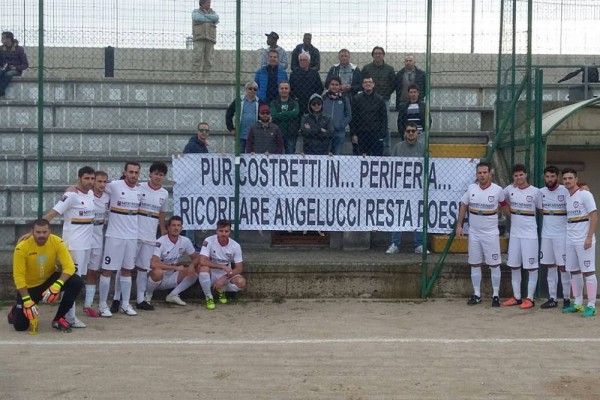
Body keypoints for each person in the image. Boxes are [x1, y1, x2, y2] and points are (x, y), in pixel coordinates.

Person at [41, 166, 96, 328]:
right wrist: (34, 231)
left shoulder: (91, 194)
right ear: (79, 179)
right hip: (73, 246)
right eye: (87, 178)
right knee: (73, 282)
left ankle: (68, 315)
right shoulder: (70, 196)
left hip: (86, 246)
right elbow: (52, 213)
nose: (90, 182)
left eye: (92, 178)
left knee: (78, 281)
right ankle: (69, 317)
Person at [9, 219, 83, 333]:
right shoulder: (22, 247)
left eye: (44, 232)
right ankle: (15, 310)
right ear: (32, 232)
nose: (41, 235)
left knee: (76, 281)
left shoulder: (57, 242)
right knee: (20, 326)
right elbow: (18, 276)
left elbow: (70, 267)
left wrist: (57, 285)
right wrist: (26, 300)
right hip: (30, 287)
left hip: (49, 281)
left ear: (50, 231)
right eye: (38, 232)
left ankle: (58, 319)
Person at [456, 161, 508, 307]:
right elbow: (463, 205)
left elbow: (505, 207)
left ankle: (496, 295)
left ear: (490, 174)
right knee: (475, 263)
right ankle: (477, 294)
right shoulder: (471, 188)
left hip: (491, 234)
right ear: (476, 174)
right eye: (480, 173)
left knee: (495, 265)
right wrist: (459, 225)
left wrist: (514, 221)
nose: (482, 175)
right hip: (474, 233)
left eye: (485, 172)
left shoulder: (498, 190)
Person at [98, 162, 141, 317]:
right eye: (131, 172)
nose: (133, 175)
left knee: (127, 270)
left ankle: (125, 304)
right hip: (114, 236)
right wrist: (72, 188)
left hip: (132, 236)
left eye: (136, 172)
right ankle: (102, 305)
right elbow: (95, 185)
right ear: (125, 172)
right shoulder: (114, 186)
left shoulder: (140, 190)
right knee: (108, 270)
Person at [127, 162, 169, 311]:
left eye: (161, 174)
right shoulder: (139, 187)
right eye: (156, 173)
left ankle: (140, 300)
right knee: (125, 268)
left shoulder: (164, 193)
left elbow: (162, 213)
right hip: (134, 234)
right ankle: (118, 300)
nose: (158, 177)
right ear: (150, 174)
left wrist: (163, 229)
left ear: (164, 177)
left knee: (143, 269)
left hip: (150, 236)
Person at [501, 164, 542, 309]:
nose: (519, 178)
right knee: (514, 266)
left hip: (530, 235)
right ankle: (517, 297)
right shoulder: (510, 189)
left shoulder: (536, 192)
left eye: (521, 175)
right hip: (515, 235)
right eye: (516, 175)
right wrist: (508, 213)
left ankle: (530, 298)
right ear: (513, 177)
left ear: (525, 175)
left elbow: (543, 208)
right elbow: (500, 198)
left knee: (532, 267)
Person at [386, 123, 429, 254]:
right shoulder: (398, 148)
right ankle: (395, 243)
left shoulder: (423, 148)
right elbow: (390, 166)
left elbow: (428, 167)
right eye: (408, 131)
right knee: (398, 214)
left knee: (419, 215)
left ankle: (419, 244)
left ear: (417, 133)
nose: (411, 133)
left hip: (417, 188)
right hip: (400, 188)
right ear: (404, 133)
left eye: (413, 131)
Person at [562, 168, 598, 317]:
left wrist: (589, 237)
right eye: (565, 179)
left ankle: (591, 304)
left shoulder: (585, 194)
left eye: (570, 178)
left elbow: (594, 217)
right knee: (574, 271)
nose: (567, 181)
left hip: (584, 240)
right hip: (570, 239)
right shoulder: (567, 196)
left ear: (576, 179)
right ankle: (577, 303)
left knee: (588, 272)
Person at [145, 216, 200, 307]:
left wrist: (191, 265)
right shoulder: (160, 242)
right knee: (158, 272)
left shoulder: (185, 241)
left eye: (178, 225)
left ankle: (173, 295)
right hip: (156, 278)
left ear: (182, 228)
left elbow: (196, 257)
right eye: (173, 225)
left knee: (197, 268)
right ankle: (148, 295)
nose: (176, 228)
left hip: (171, 276)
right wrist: (174, 267)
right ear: (168, 228)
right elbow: (153, 264)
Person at [539, 165, 571, 309]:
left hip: (562, 236)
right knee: (550, 267)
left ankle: (566, 298)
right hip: (547, 236)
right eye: (547, 176)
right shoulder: (540, 192)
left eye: (552, 176)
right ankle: (552, 298)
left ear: (557, 177)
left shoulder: (565, 191)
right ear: (544, 177)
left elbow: (579, 190)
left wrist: (585, 187)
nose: (550, 179)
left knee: (563, 267)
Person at [199, 219, 246, 310]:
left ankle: (222, 290)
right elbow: (202, 261)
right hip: (212, 272)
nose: (223, 234)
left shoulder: (235, 246)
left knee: (241, 282)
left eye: (226, 231)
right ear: (216, 231)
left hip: (227, 273)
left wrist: (224, 278)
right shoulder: (208, 241)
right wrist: (221, 266)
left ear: (230, 232)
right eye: (221, 231)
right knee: (203, 269)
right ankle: (209, 297)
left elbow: (239, 268)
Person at [83, 170, 110, 318]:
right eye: (99, 181)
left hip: (98, 237)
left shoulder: (107, 197)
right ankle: (67, 303)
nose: (102, 184)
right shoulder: (86, 195)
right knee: (78, 272)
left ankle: (88, 305)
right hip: (84, 236)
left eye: (105, 182)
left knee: (93, 271)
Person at [361, 47, 395, 155]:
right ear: (372, 55)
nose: (378, 55)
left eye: (380, 53)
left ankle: (386, 150)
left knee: (386, 126)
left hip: (384, 100)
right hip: (369, 100)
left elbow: (393, 84)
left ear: (383, 55)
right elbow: (362, 82)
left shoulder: (389, 69)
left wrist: (386, 93)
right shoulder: (366, 68)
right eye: (375, 53)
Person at [350, 76, 387, 156]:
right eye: (365, 82)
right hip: (361, 134)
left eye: (370, 82)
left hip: (376, 134)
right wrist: (353, 134)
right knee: (361, 159)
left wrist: (382, 135)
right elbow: (353, 118)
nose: (368, 84)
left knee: (376, 159)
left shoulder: (380, 99)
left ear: (373, 84)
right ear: (362, 85)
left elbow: (384, 118)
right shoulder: (356, 99)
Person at [225, 82, 260, 153]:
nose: (252, 90)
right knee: (239, 156)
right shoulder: (238, 100)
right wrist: (231, 128)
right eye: (250, 88)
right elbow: (229, 113)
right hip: (240, 135)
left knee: (253, 156)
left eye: (255, 89)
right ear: (246, 89)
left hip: (255, 136)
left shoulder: (260, 102)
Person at [322, 76, 352, 155]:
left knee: (337, 156)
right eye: (332, 84)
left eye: (336, 84)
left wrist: (341, 125)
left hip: (339, 132)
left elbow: (348, 115)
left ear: (340, 86)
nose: (334, 86)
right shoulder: (323, 98)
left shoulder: (344, 99)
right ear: (329, 86)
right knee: (325, 156)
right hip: (325, 132)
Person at [270, 81, 300, 154]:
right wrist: (289, 114)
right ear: (278, 90)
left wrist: (281, 114)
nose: (284, 90)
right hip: (277, 133)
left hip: (291, 134)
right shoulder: (273, 103)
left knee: (290, 155)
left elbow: (295, 113)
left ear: (289, 90)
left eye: (286, 88)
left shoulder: (295, 103)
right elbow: (274, 115)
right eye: (282, 88)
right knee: (276, 156)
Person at [191, 0, 219, 73]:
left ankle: (207, 79)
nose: (209, 4)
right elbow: (197, 18)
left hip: (210, 39)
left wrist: (205, 16)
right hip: (199, 38)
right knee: (197, 59)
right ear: (202, 4)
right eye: (207, 2)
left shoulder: (213, 13)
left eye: (209, 2)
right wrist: (210, 19)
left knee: (209, 60)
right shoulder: (196, 12)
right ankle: (195, 78)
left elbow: (216, 18)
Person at [0, 31, 28, 98]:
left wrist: (15, 67)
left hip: (15, 70)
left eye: (3, 38)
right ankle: (2, 94)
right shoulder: (1, 49)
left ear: (9, 39)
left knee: (7, 75)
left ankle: (1, 94)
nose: (1, 40)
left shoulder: (19, 49)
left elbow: (25, 64)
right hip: (3, 68)